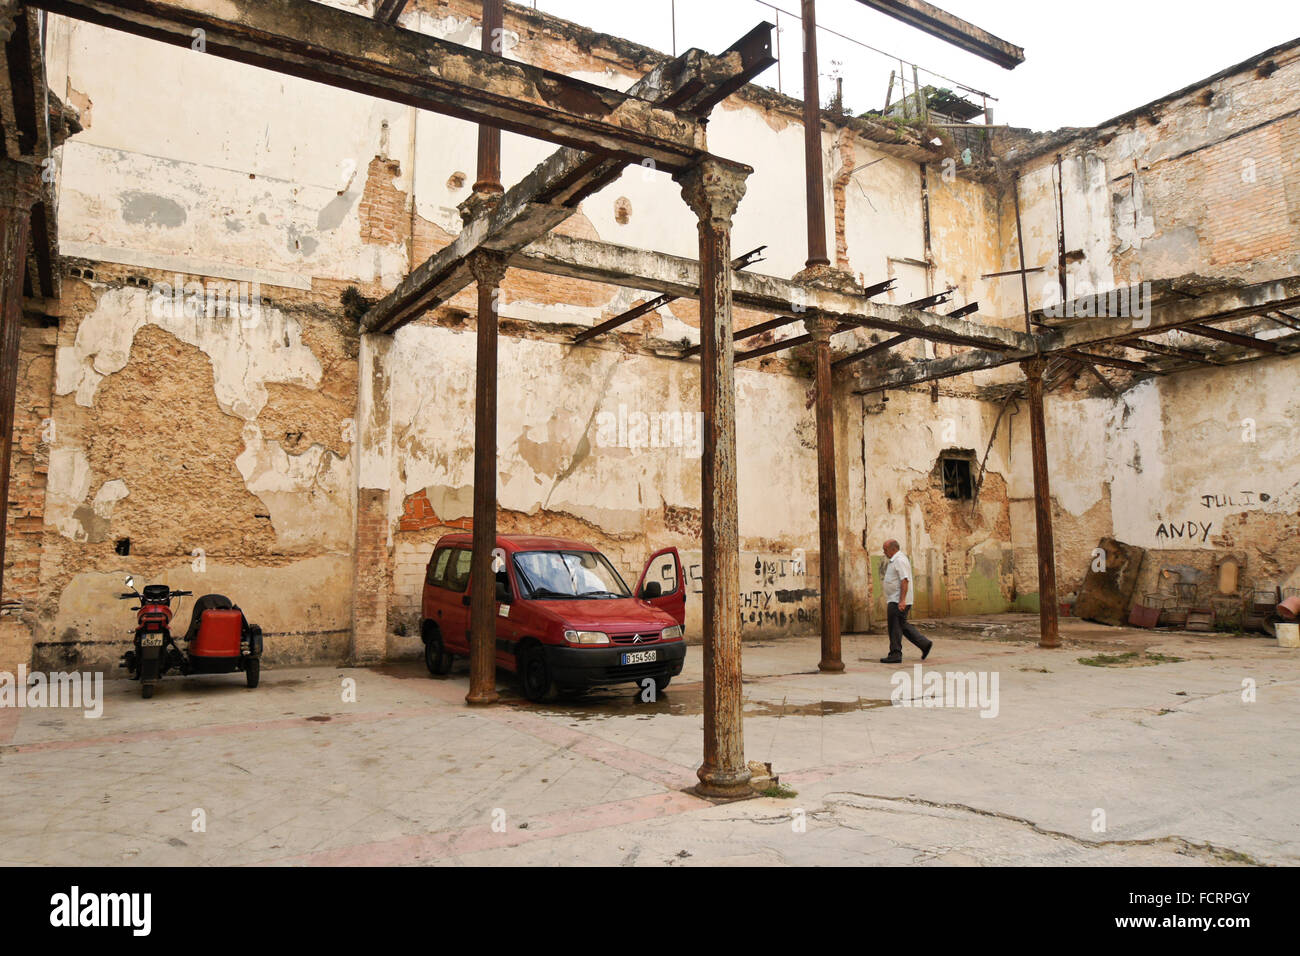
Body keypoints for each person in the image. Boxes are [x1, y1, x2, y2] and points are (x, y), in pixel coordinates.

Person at [880, 539, 933, 664]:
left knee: (895, 627)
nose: (884, 552)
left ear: (893, 549)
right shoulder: (895, 560)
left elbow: (905, 580)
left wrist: (902, 600)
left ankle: (895, 654)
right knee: (900, 625)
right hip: (895, 599)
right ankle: (924, 644)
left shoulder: (900, 560)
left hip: (898, 600)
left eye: (885, 549)